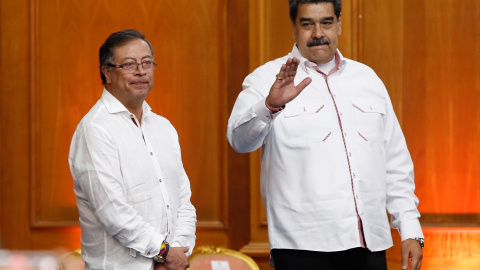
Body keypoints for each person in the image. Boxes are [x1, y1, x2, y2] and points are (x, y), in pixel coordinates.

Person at [227, 1, 424, 269]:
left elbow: (395, 161)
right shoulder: (266, 79)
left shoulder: (367, 79)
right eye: (307, 24)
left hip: (369, 244)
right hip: (301, 249)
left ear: (339, 24)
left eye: (327, 22)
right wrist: (270, 106)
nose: (318, 32)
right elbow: (238, 141)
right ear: (293, 29)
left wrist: (410, 228)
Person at [69, 29, 196, 270]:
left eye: (147, 63)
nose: (141, 71)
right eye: (129, 64)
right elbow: (113, 212)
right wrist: (164, 253)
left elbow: (183, 200)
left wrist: (178, 251)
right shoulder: (95, 129)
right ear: (106, 72)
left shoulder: (164, 127)